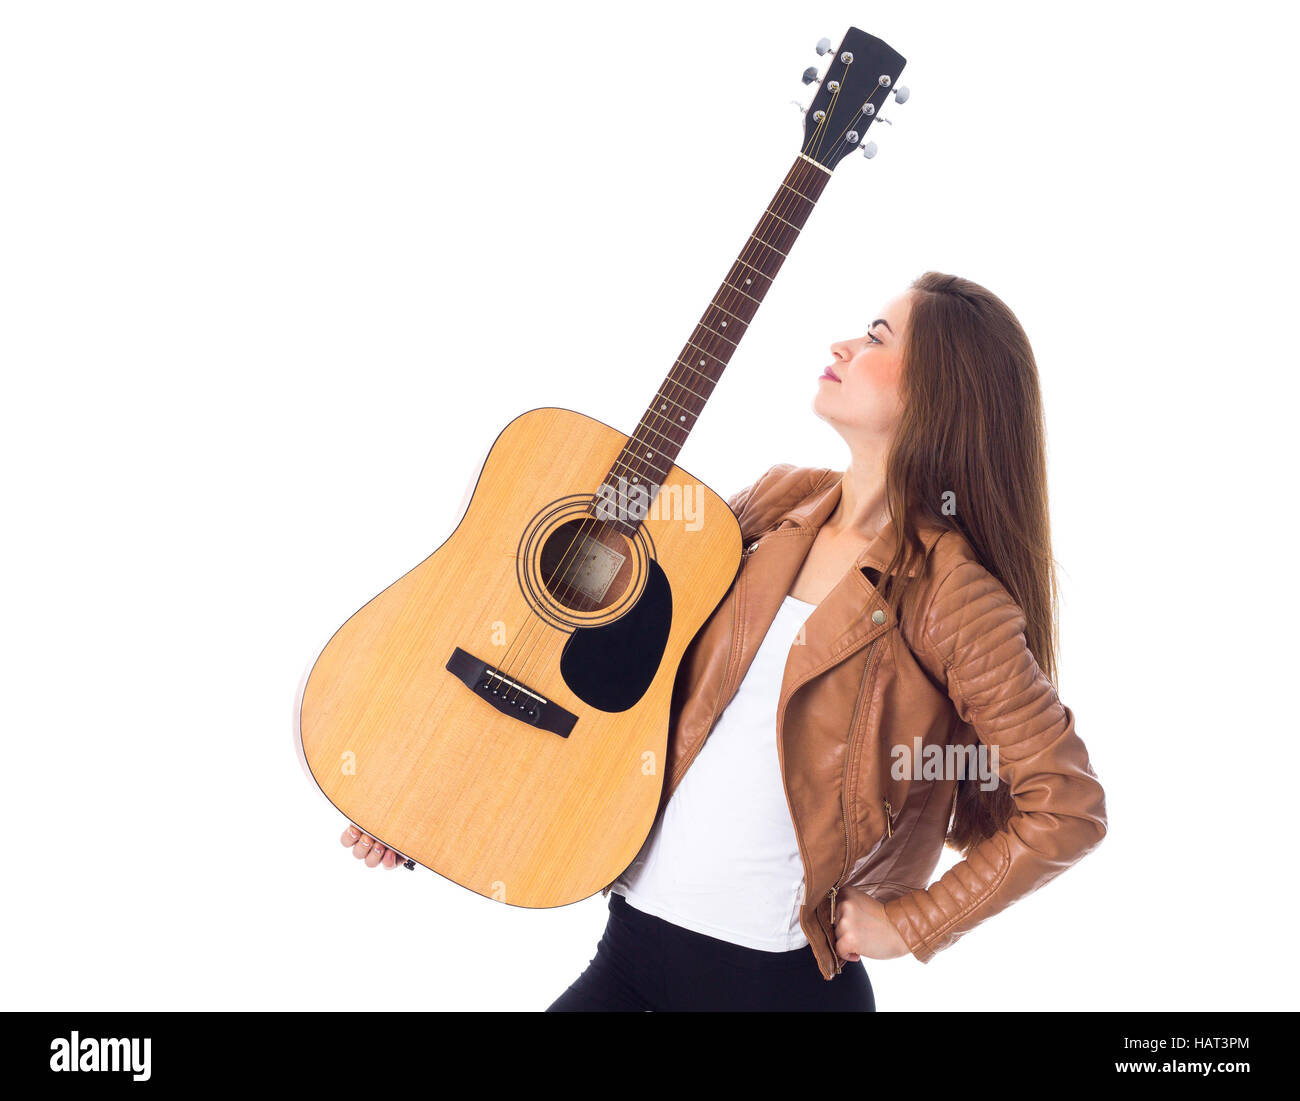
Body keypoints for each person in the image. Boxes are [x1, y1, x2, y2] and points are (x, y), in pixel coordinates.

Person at [340, 271, 1108, 1012]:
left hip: (775, 989)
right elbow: (580, 676)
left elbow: (1068, 804)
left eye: (875, 336)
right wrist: (418, 804)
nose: (842, 345)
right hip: (631, 951)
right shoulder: (777, 504)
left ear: (938, 391)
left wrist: (910, 922)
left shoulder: (951, 593)